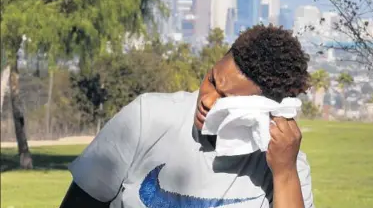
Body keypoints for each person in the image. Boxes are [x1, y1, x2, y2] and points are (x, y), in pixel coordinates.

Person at [60, 24, 315, 208]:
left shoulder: (286, 166)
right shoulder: (147, 117)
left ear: (265, 109)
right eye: (212, 80)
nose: (207, 99)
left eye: (227, 100)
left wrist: (284, 175)